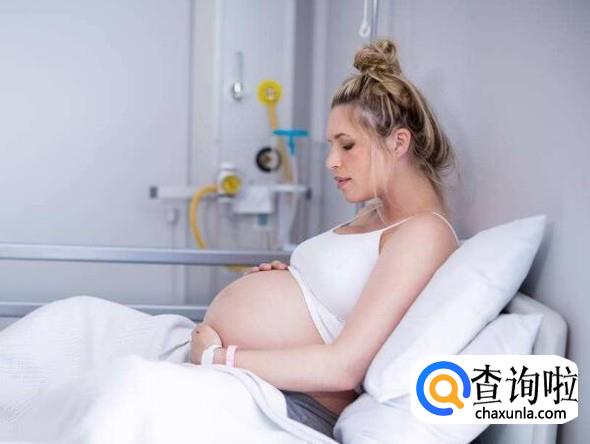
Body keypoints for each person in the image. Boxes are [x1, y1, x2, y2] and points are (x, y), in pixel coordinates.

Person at [190, 38, 460, 439]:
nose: (332, 161)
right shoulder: (374, 214)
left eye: (347, 145)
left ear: (398, 142)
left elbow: (343, 367)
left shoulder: (424, 233)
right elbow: (333, 306)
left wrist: (217, 358)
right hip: (260, 381)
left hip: (294, 403)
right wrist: (293, 281)